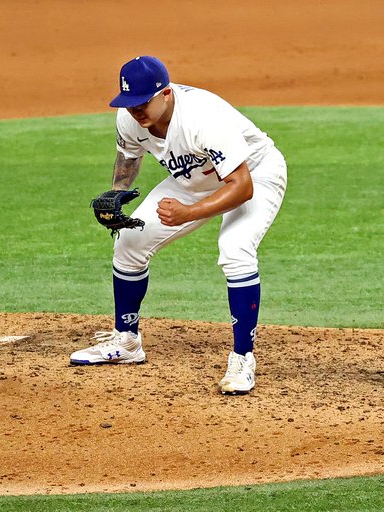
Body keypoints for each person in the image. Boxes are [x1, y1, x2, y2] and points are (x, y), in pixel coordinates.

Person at [70, 56, 287, 394]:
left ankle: (243, 359)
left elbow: (241, 187)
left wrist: (189, 212)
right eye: (130, 104)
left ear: (166, 94)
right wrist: (116, 193)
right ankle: (127, 342)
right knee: (128, 242)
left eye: (143, 103)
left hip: (255, 173)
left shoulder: (202, 118)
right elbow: (128, 157)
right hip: (196, 178)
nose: (136, 111)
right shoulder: (130, 118)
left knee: (235, 249)